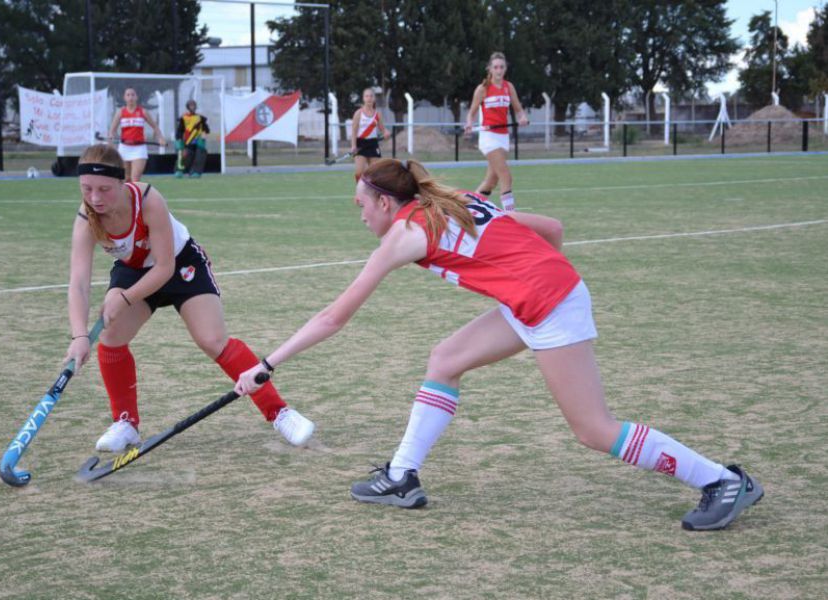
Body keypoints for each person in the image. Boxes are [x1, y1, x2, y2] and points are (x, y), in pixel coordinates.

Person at [236, 158, 763, 531]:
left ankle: (722, 481)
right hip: (539, 298)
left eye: (361, 206)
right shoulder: (454, 200)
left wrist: (267, 365)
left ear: (383, 200)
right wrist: (528, 279)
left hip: (550, 305)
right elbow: (551, 229)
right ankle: (401, 477)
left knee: (593, 429)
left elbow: (335, 316)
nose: (361, 217)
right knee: (445, 359)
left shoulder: (404, 233)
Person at [65, 143, 314, 453]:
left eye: (104, 189)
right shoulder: (86, 219)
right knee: (111, 336)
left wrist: (125, 298)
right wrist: (78, 335)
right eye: (87, 189)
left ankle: (280, 413)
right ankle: (125, 423)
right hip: (134, 270)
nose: (95, 198)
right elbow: (78, 281)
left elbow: (165, 267)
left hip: (180, 263)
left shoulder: (147, 199)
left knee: (213, 340)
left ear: (123, 181)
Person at [464, 52, 529, 212]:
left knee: (490, 182)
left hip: (503, 137)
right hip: (489, 138)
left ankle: (467, 209)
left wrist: (522, 118)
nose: (499, 70)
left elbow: (518, 110)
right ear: (490, 69)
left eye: (501, 67)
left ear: (505, 69)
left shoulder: (509, 87)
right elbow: (471, 112)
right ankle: (511, 216)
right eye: (496, 67)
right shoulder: (483, 88)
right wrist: (469, 124)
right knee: (506, 176)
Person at [107, 88, 167, 182]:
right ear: (124, 98)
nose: (130, 97)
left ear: (136, 97)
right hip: (124, 148)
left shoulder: (143, 112)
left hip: (139, 149)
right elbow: (112, 130)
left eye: (132, 95)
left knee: (135, 179)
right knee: (125, 179)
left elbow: (155, 126)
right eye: (128, 95)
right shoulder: (121, 112)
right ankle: (126, 197)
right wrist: (111, 138)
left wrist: (161, 138)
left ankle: (136, 196)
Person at [350, 87, 390, 182]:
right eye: (367, 96)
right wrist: (353, 146)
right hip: (361, 144)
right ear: (363, 98)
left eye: (371, 96)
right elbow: (354, 131)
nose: (369, 98)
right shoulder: (358, 113)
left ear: (374, 98)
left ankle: (374, 194)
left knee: (376, 173)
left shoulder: (377, 114)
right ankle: (360, 193)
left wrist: (386, 133)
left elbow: (383, 129)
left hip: (373, 144)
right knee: (359, 172)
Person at [175, 99, 210, 179]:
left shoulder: (200, 118)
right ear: (187, 107)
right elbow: (179, 131)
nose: (192, 107)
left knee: (199, 156)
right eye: (191, 105)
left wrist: (204, 134)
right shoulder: (184, 118)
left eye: (193, 105)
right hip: (187, 141)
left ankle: (196, 172)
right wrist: (179, 140)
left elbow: (206, 129)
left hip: (198, 141)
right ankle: (179, 170)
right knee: (183, 155)